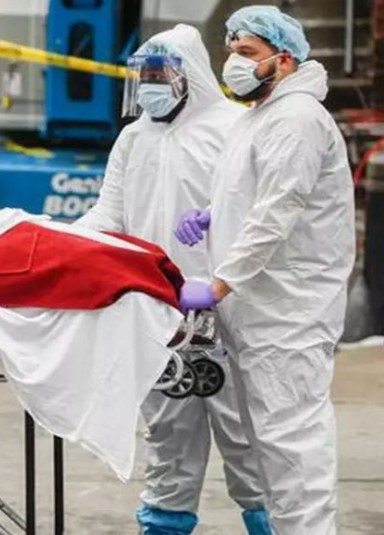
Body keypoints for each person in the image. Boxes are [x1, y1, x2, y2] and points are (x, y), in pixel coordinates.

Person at [76, 25, 271, 535]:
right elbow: (110, 213)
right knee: (167, 433)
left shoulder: (233, 128)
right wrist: (65, 239)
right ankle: (163, 525)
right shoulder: (133, 139)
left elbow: (260, 210)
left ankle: (271, 522)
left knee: (247, 433)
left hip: (227, 307)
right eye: (143, 78)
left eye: (160, 76)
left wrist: (214, 224)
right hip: (158, 309)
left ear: (190, 75)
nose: (150, 87)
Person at [174, 7, 355, 534]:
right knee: (270, 445)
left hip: (289, 311)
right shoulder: (259, 116)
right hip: (261, 310)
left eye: (248, 53)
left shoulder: (296, 118)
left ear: (285, 59)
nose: (234, 62)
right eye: (231, 51)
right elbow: (254, 192)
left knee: (292, 443)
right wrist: (213, 214)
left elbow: (278, 209)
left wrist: (220, 282)